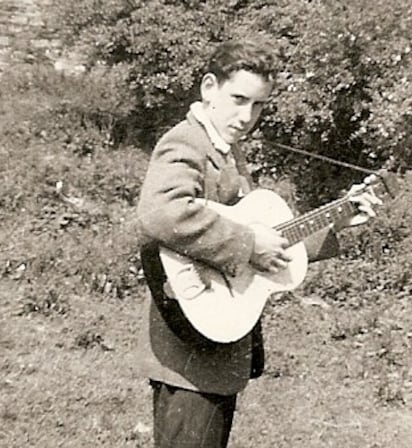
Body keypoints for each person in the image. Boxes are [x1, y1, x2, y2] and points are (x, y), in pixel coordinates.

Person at [134, 38, 381, 447]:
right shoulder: (187, 142)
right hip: (188, 348)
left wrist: (336, 223)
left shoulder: (228, 150)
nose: (247, 116)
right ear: (209, 87)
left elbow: (265, 237)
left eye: (259, 105)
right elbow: (161, 212)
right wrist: (248, 244)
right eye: (238, 99)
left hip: (215, 341)